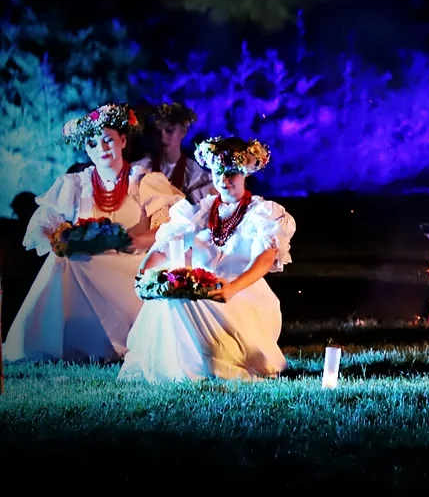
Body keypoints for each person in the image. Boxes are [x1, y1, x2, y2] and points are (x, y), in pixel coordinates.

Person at [4, 104, 185, 362]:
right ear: (86, 149)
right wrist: (59, 242)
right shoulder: (77, 184)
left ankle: (123, 341)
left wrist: (128, 241)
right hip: (87, 264)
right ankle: (59, 345)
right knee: (62, 261)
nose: (101, 148)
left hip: (133, 266)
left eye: (108, 140)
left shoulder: (144, 181)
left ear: (123, 140)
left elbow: (167, 228)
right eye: (92, 143)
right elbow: (45, 221)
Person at [118, 136, 295, 382]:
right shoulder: (201, 212)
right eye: (218, 172)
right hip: (203, 291)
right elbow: (169, 247)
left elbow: (266, 257)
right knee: (169, 294)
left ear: (245, 172)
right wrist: (144, 275)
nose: (223, 180)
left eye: (231, 173)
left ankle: (210, 362)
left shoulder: (261, 214)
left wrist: (232, 288)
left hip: (242, 294)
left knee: (185, 297)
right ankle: (176, 367)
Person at [134, 102, 213, 204]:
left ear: (183, 132)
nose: (162, 138)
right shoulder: (142, 168)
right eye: (158, 132)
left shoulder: (194, 173)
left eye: (169, 130)